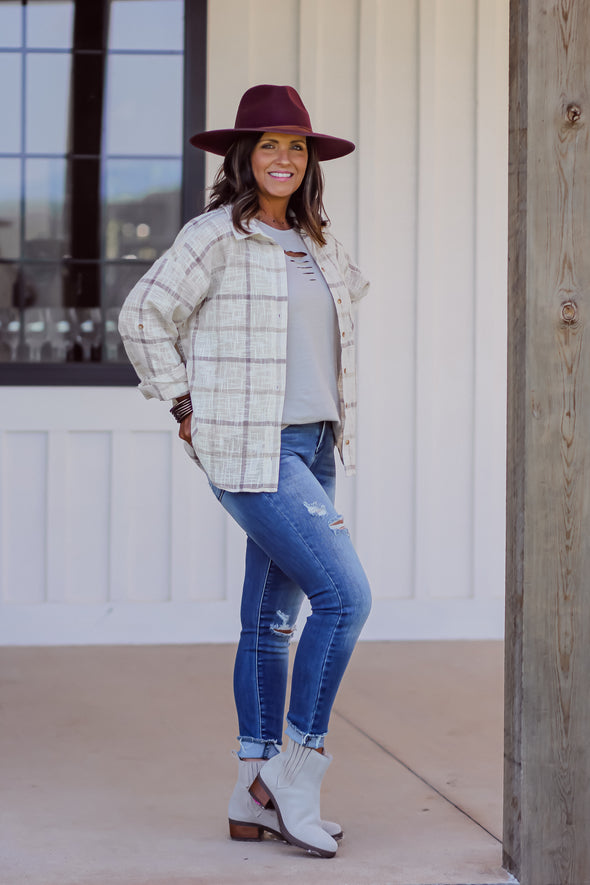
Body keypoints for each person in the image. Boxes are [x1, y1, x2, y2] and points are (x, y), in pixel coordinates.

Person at [119, 84, 372, 859]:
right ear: (244, 157)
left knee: (270, 621)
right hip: (253, 450)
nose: (283, 159)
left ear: (310, 162)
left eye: (296, 147)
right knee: (345, 596)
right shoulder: (214, 236)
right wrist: (184, 406)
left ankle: (250, 788)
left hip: (316, 444)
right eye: (269, 145)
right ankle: (297, 774)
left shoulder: (320, 243)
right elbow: (142, 315)